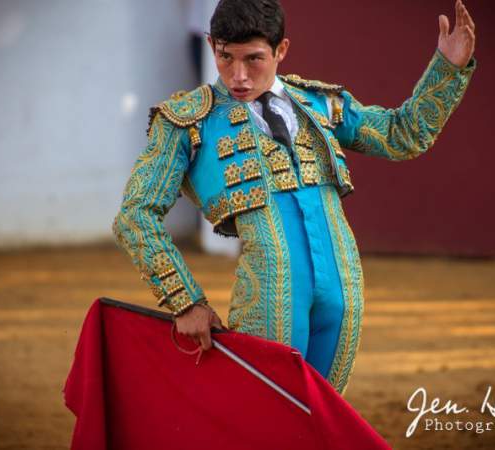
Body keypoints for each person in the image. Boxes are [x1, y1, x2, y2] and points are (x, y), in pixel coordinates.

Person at [112, 0, 476, 395]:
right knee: (262, 415)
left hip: (343, 290)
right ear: (211, 45)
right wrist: (185, 301)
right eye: (225, 57)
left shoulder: (318, 103)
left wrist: (447, 68)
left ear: (280, 50)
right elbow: (135, 214)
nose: (238, 75)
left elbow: (402, 134)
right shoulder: (185, 120)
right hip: (271, 297)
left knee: (321, 415)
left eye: (254, 59)